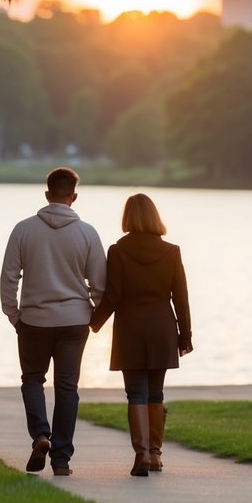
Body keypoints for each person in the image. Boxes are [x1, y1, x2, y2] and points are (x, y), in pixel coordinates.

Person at [0, 167, 106, 477]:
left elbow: (9, 276)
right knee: (67, 387)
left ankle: (41, 436)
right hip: (74, 321)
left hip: (33, 319)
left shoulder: (23, 230)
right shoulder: (87, 233)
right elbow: (100, 284)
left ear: (47, 194)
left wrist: (14, 315)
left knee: (33, 379)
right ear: (74, 196)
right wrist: (93, 317)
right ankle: (61, 459)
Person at [91, 193, 192, 477]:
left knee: (136, 392)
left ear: (127, 218)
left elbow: (112, 296)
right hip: (162, 329)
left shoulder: (118, 251)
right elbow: (181, 299)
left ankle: (142, 455)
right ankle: (157, 455)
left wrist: (92, 321)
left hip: (131, 329)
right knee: (156, 393)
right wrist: (185, 336)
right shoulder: (172, 251)